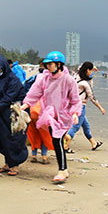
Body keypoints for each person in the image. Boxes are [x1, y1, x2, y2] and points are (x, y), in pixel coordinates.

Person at [22, 51, 82, 184]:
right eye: (46, 64)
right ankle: (64, 169)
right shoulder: (44, 79)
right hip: (49, 115)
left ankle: (62, 170)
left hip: (64, 115)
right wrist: (25, 105)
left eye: (50, 64)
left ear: (59, 64)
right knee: (56, 141)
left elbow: (75, 100)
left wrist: (75, 113)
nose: (48, 67)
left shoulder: (68, 80)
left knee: (57, 140)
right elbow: (34, 93)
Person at [0, 55, 28, 176]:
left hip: (12, 113)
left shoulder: (12, 79)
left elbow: (8, 98)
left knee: (13, 138)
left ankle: (14, 165)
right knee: (3, 137)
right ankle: (8, 163)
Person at [64, 61, 105, 153]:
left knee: (86, 126)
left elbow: (80, 67)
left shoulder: (76, 76)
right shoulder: (85, 83)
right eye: (90, 71)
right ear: (87, 70)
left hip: (73, 105)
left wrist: (93, 68)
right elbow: (92, 97)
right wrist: (100, 107)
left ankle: (93, 143)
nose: (91, 73)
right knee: (75, 127)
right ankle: (65, 146)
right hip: (80, 107)